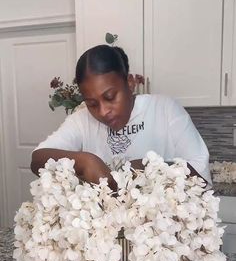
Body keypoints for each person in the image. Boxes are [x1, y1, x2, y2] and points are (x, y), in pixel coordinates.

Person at [31, 44, 211, 188]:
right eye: (92, 103)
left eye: (110, 97)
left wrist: (147, 166)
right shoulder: (81, 121)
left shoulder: (164, 109)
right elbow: (38, 159)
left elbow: (200, 171)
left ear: (130, 83)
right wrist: (85, 161)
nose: (103, 111)